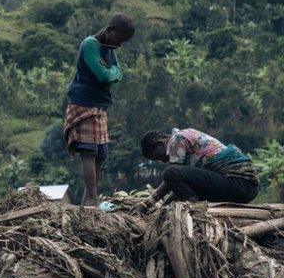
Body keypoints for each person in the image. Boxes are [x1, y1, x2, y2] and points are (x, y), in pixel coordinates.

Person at [63, 14, 136, 206]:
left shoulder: (109, 48)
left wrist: (114, 73)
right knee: (89, 151)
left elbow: (118, 72)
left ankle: (87, 200)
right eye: (118, 40)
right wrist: (113, 73)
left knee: (101, 154)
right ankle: (93, 199)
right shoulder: (90, 44)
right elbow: (105, 75)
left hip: (99, 106)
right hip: (83, 104)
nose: (119, 45)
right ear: (109, 30)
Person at [137, 129, 259, 209]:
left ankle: (195, 210)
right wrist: (163, 208)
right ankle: (196, 207)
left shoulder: (177, 139)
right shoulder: (186, 140)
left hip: (238, 183)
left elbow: (172, 177)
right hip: (246, 189)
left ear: (159, 144)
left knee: (170, 172)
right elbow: (180, 189)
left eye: (157, 157)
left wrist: (148, 202)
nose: (163, 161)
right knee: (183, 184)